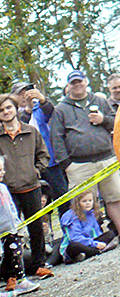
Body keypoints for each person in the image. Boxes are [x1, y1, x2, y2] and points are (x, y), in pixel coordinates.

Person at [48, 72, 120, 243]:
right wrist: (66, 164)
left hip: (106, 158)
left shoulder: (100, 101)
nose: (77, 85)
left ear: (86, 81)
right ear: (68, 86)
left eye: (80, 82)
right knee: (82, 202)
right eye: (73, 83)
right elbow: (56, 138)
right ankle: (89, 239)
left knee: (114, 196)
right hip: (79, 163)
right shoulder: (61, 109)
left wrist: (103, 119)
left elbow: (115, 121)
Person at [0, 96, 52, 281]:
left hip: (31, 186)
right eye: (2, 110)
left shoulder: (31, 132)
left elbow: (43, 155)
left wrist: (36, 171)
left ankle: (39, 265)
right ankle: (11, 274)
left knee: (36, 228)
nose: (6, 112)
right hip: (8, 191)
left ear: (15, 108)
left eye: (8, 108)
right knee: (9, 233)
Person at [11, 85, 66, 215]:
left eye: (27, 91)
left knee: (62, 195)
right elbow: (18, 128)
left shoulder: (39, 109)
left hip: (49, 161)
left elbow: (50, 112)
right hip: (26, 166)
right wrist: (27, 110)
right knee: (35, 203)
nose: (26, 96)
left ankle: (69, 230)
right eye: (21, 93)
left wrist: (42, 99)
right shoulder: (10, 114)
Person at [0, 158, 36, 297]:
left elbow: (11, 208)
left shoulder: (3, 188)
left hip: (11, 229)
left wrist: (17, 223)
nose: (2, 172)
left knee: (16, 253)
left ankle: (20, 279)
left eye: (2, 169)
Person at [58, 191, 116, 265]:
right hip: (76, 244)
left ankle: (87, 253)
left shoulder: (91, 213)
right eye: (84, 201)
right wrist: (95, 244)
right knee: (74, 246)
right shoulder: (71, 216)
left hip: (90, 242)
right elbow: (75, 238)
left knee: (110, 234)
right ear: (77, 203)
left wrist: (98, 242)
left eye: (90, 200)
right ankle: (97, 251)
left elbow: (97, 232)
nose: (88, 203)